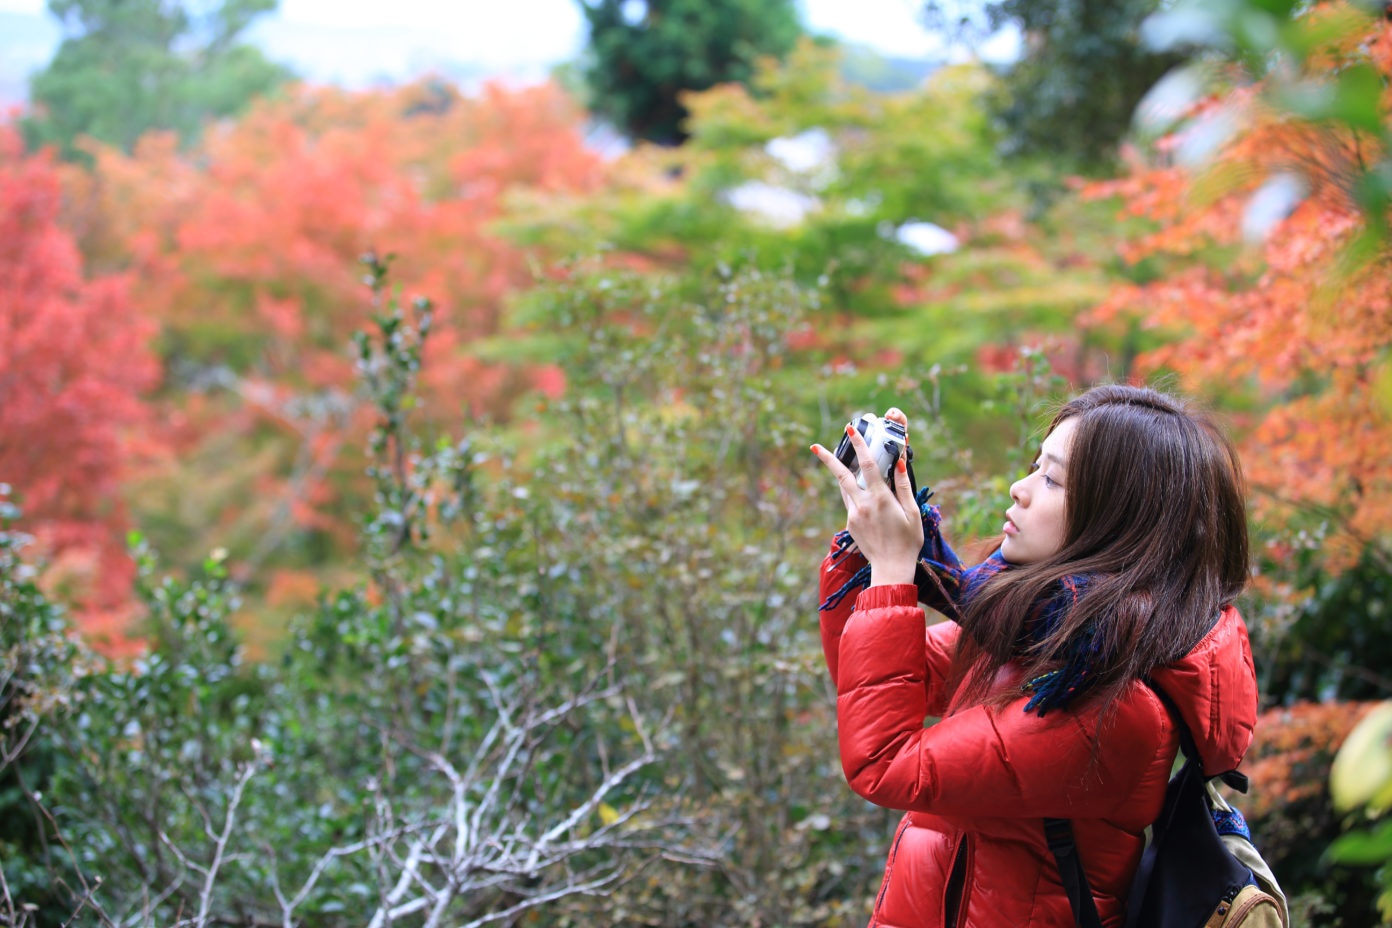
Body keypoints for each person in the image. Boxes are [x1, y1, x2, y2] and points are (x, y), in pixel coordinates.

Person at [809, 384, 1259, 928]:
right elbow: (877, 683)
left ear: (1119, 519)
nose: (1019, 489)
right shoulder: (1039, 633)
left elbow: (884, 762)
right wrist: (872, 547)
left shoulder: (1113, 704)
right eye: (1034, 466)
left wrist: (891, 569)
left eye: (1051, 478)